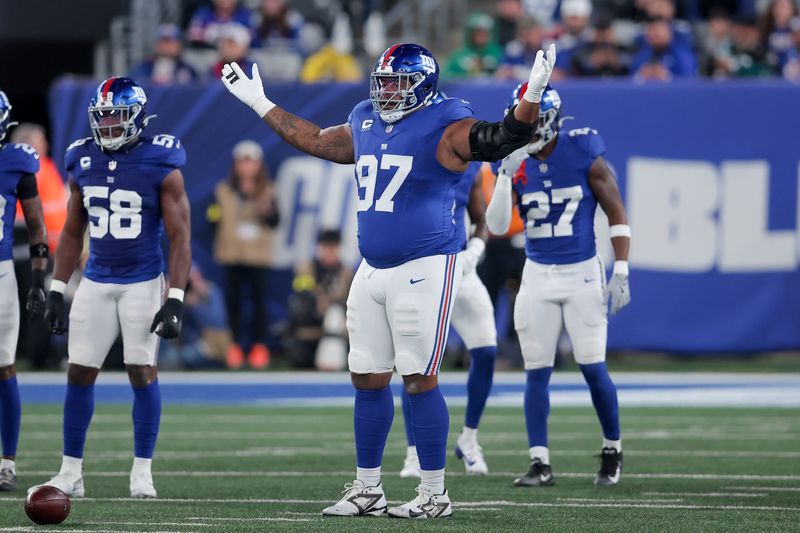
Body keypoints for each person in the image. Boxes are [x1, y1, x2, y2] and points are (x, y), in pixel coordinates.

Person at [221, 41, 557, 518]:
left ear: (423, 85)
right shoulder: (364, 118)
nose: (388, 91)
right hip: (372, 267)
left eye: (398, 82)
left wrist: (533, 96)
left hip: (426, 264)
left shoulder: (446, 120)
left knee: (419, 377)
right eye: (383, 81)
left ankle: (434, 493)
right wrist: (260, 103)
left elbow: (501, 138)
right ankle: (367, 489)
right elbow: (316, 139)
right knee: (368, 377)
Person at [35, 77, 191, 498]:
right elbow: (71, 232)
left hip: (142, 280)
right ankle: (70, 471)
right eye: (101, 117)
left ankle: (142, 470)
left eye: (115, 116)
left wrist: (175, 297)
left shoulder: (162, 161)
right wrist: (56, 287)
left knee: (141, 371)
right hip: (97, 280)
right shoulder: (80, 159)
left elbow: (180, 236)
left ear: (137, 117)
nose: (107, 126)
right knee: (79, 371)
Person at [485, 84, 630, 488]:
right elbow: (496, 226)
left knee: (592, 367)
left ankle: (612, 449)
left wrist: (621, 268)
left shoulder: (583, 148)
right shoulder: (516, 160)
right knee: (536, 371)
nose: (527, 127)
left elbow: (616, 209)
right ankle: (539, 462)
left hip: (582, 274)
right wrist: (504, 175)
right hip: (537, 274)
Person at [399, 153, 498, 478]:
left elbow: (481, 220)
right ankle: (414, 452)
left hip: (461, 270)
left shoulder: (467, 168)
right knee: (415, 360)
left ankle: (469, 440)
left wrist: (476, 251)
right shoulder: (414, 162)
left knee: (486, 350)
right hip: (425, 271)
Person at [0, 90, 48, 491]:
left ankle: (6, 462)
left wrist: (37, 279)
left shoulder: (17, 162)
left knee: (3, 366)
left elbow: (36, 227)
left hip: (0, 274)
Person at [207, 140, 279, 370]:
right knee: (234, 303)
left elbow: (276, 221)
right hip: (232, 255)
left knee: (259, 304)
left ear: (258, 165)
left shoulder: (269, 190)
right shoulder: (223, 190)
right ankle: (235, 347)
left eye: (251, 163)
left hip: (258, 256)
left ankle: (259, 347)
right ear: (236, 165)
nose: (247, 168)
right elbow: (211, 220)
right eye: (243, 162)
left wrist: (265, 211)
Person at [289, 230, 354, 370]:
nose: (330, 251)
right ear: (319, 247)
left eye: (333, 247)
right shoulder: (307, 269)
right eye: (326, 247)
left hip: (338, 327)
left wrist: (331, 305)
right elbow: (301, 296)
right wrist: (317, 302)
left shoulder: (346, 273)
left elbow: (352, 302)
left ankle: (333, 357)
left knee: (336, 315)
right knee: (302, 360)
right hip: (312, 325)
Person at [631, 16, 697, 80]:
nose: (655, 33)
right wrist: (641, 76)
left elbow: (689, 79)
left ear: (669, 33)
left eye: (659, 29)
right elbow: (630, 79)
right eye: (651, 30)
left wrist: (667, 76)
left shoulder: (682, 53)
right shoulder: (642, 54)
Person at [129, 24, 198, 85]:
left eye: (171, 42)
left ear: (180, 45)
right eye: (163, 42)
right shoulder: (143, 67)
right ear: (156, 45)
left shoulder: (188, 70)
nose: (167, 46)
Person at [442, 13, 504, 79]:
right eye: (477, 32)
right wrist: (465, 76)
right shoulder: (459, 56)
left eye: (484, 33)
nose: (481, 36)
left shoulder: (498, 53)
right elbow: (445, 76)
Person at [188, 0, 253, 48]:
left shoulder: (245, 15)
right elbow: (194, 36)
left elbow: (253, 38)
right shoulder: (203, 13)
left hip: (238, 58)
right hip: (208, 54)